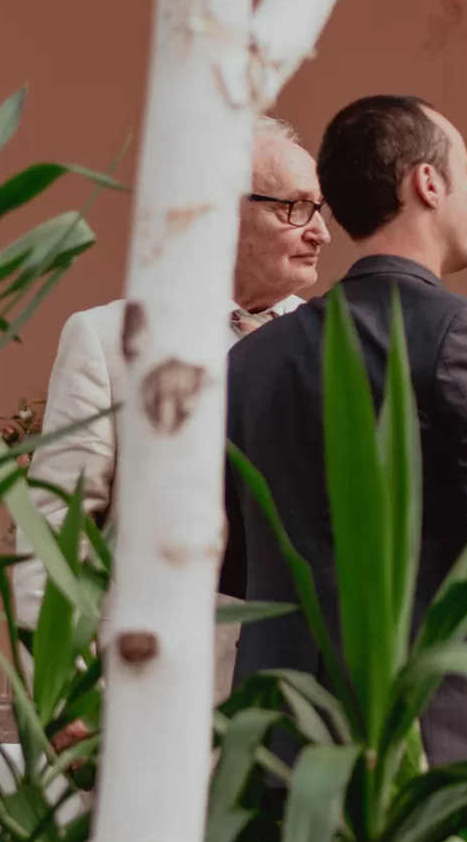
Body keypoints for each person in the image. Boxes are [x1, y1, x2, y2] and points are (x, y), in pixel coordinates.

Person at [225, 95, 467, 763]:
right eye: (466, 173)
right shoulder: (466, 331)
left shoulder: (253, 357)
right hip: (430, 737)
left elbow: (237, 554)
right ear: (426, 183)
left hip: (281, 737)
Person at [20, 116, 329, 665]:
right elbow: (55, 537)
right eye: (293, 207)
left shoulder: (340, 348)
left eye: (319, 208)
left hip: (308, 690)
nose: (319, 232)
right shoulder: (109, 341)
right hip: (150, 683)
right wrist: (63, 692)